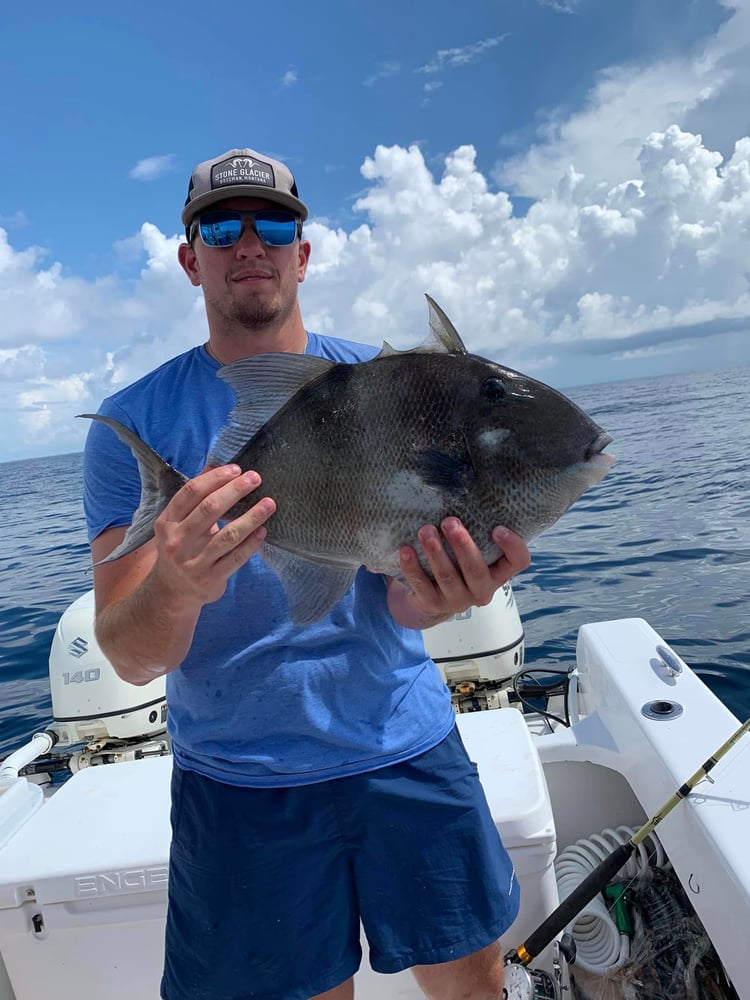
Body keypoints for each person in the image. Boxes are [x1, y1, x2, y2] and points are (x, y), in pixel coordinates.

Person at [83, 146, 532, 1000]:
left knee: (476, 983)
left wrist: (445, 593)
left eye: (275, 223)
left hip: (404, 745)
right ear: (191, 259)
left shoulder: (393, 385)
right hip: (240, 784)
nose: (249, 242)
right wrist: (177, 583)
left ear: (303, 250)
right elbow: (130, 657)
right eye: (221, 226)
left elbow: (400, 598)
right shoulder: (131, 422)